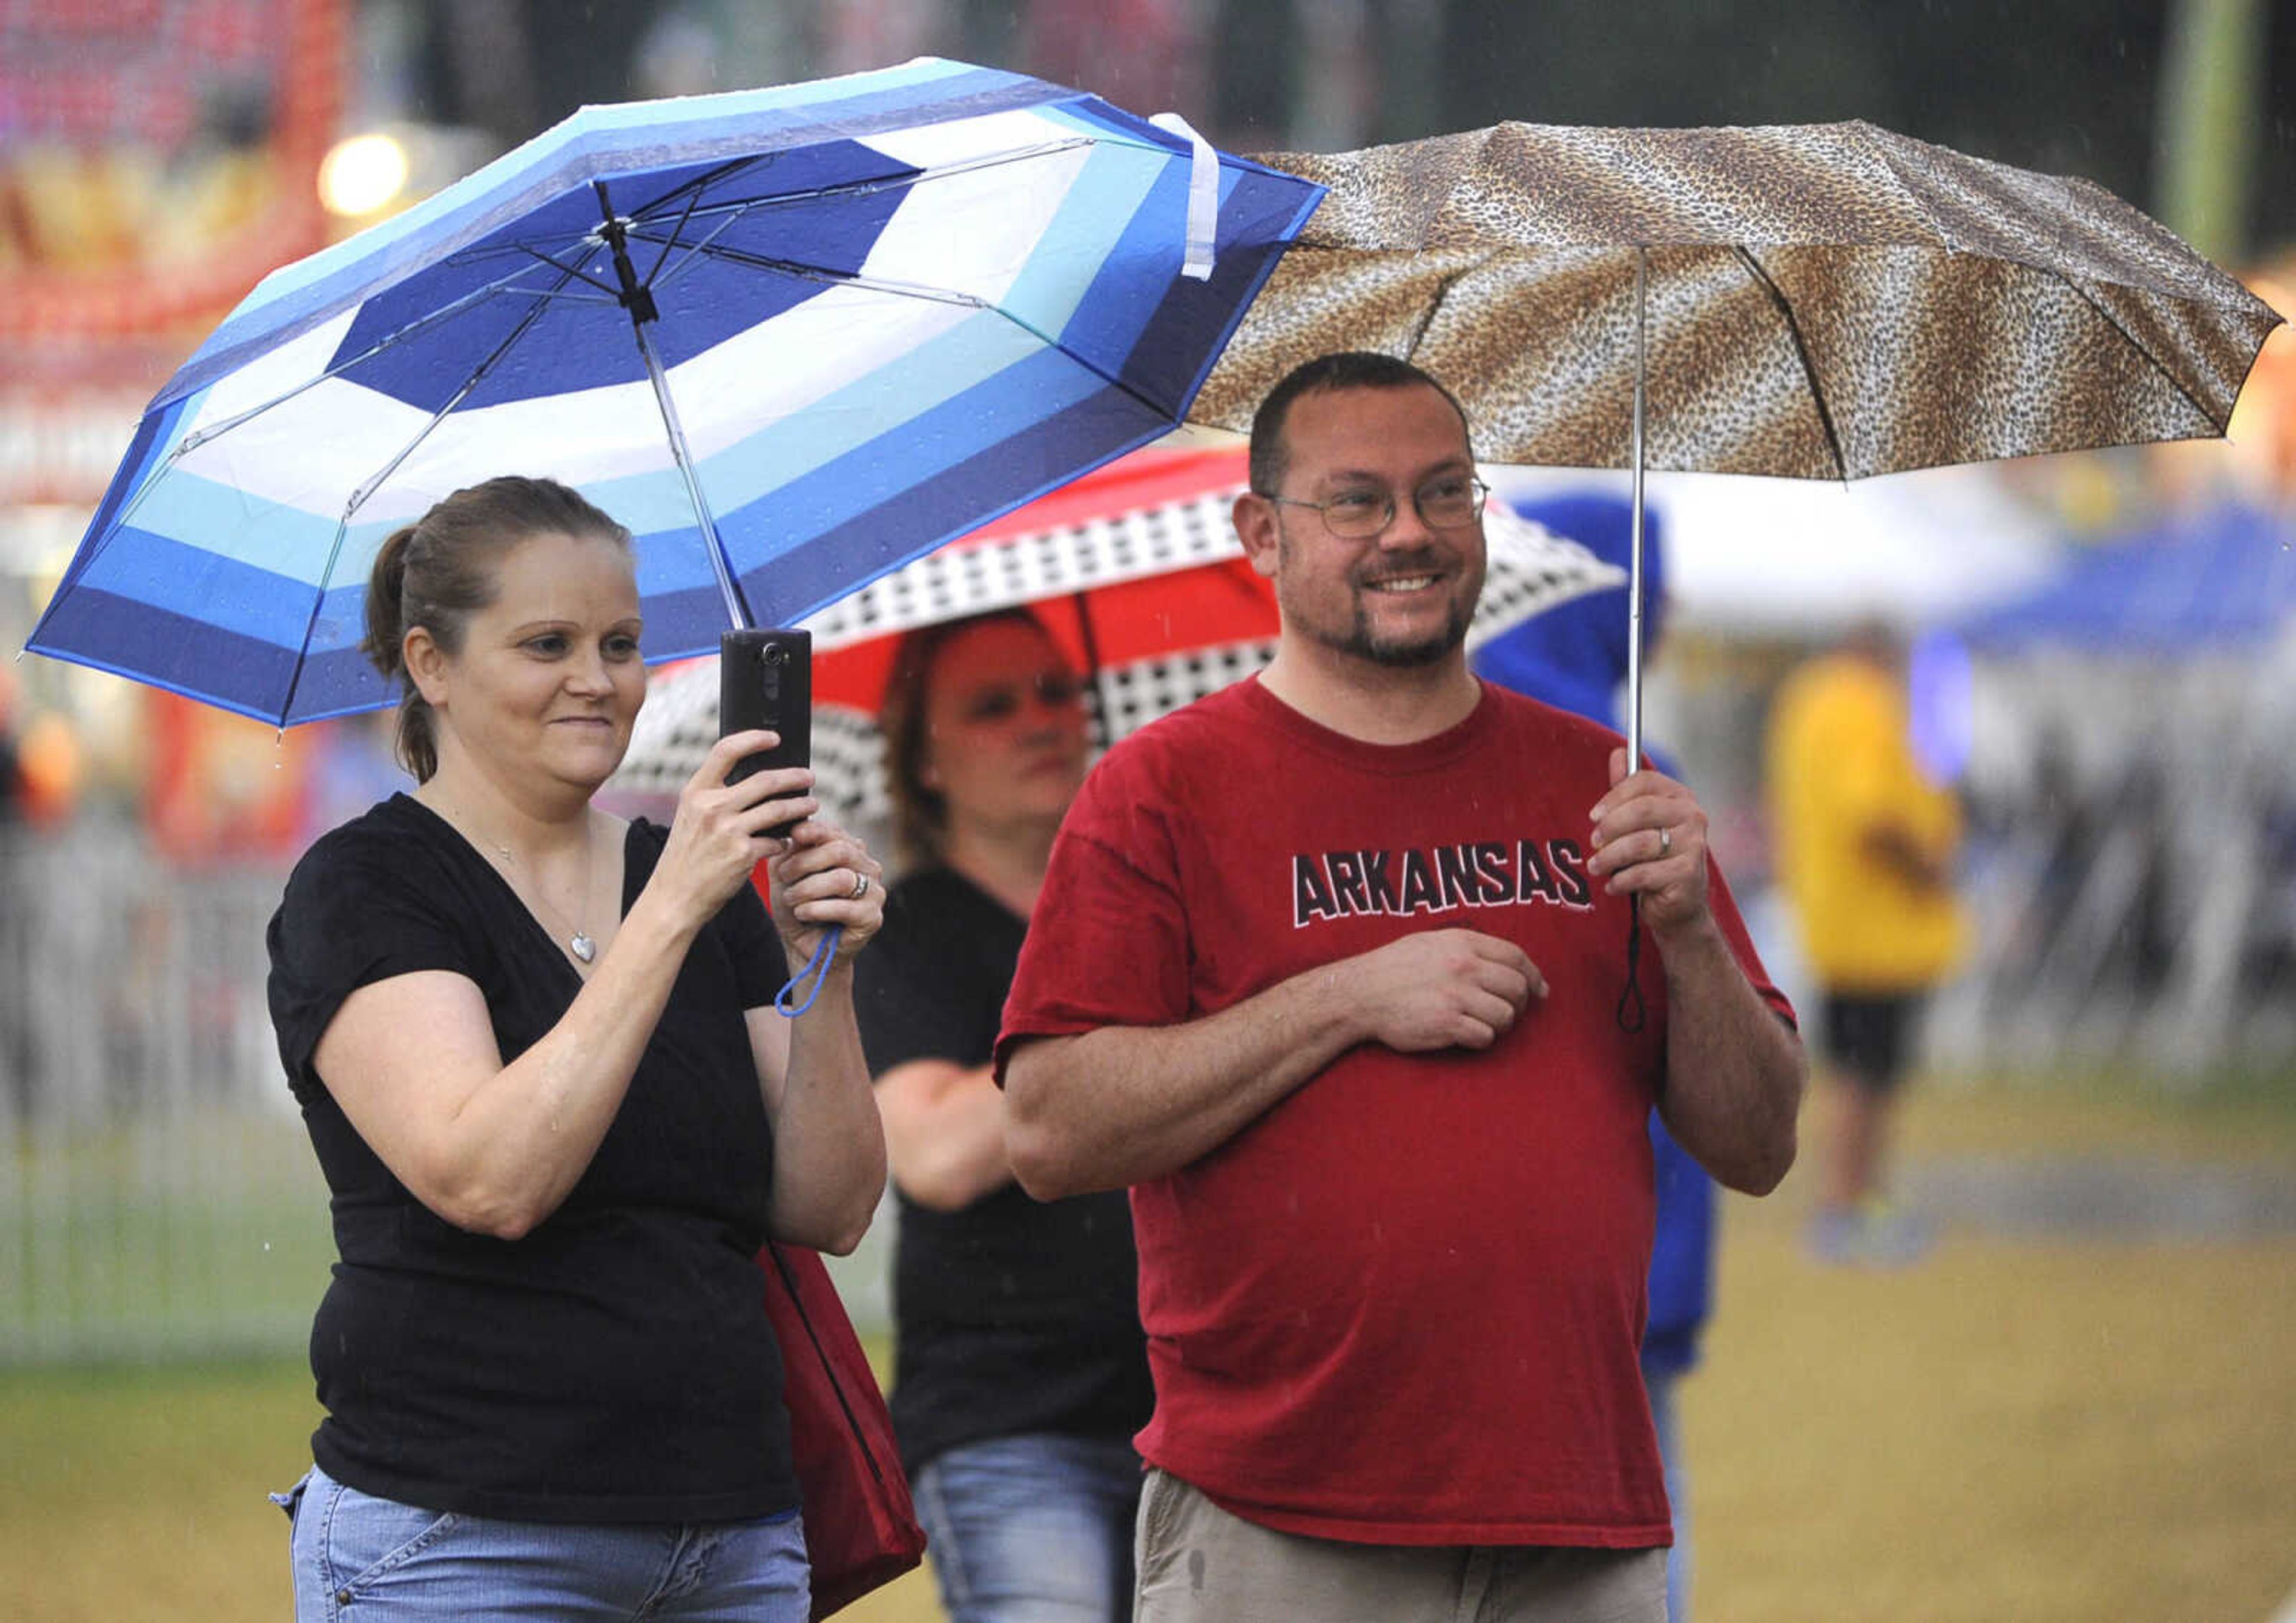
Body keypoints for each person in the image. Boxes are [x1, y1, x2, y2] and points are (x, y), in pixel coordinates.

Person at [997, 353, 1805, 1623]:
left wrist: (1693, 932)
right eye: (1358, 501)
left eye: (1445, 492)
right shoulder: (1160, 794)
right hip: (1285, 1522)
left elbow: (1760, 1143)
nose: (1411, 534)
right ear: (1259, 531)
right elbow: (1051, 1128)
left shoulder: (1608, 784)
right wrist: (1346, 997)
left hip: (1582, 1520)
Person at [264, 475, 889, 1622]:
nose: (597, 679)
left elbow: (831, 1205)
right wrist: (671, 912)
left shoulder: (686, 875)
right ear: (432, 664)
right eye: (547, 642)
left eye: (623, 642)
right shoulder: (366, 885)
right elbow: (490, 1177)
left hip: (735, 1533)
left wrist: (829, 971)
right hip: (464, 1535)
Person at [853, 609, 1155, 1623]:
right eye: (993, 704)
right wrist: (1121, 1034)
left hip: (1208, 1414)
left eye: (1056, 692)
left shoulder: (1161, 906)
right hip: (1009, 1426)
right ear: (923, 759)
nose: (1040, 719)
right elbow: (936, 1152)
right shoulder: (897, 935)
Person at [1473, 492, 1714, 1623]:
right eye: (1656, 593)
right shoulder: (1623, 774)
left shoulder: (1451, 740)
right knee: (1637, 1514)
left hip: (1497, 1245)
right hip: (1628, 1230)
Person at [1765, 620, 1967, 1265]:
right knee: (1865, 1078)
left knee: (1859, 1071)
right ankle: (1846, 1206)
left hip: (1837, 921)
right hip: (1878, 931)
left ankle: (1858, 1202)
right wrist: (1928, 866)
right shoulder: (1856, 705)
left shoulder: (1806, 699)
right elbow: (1872, 813)